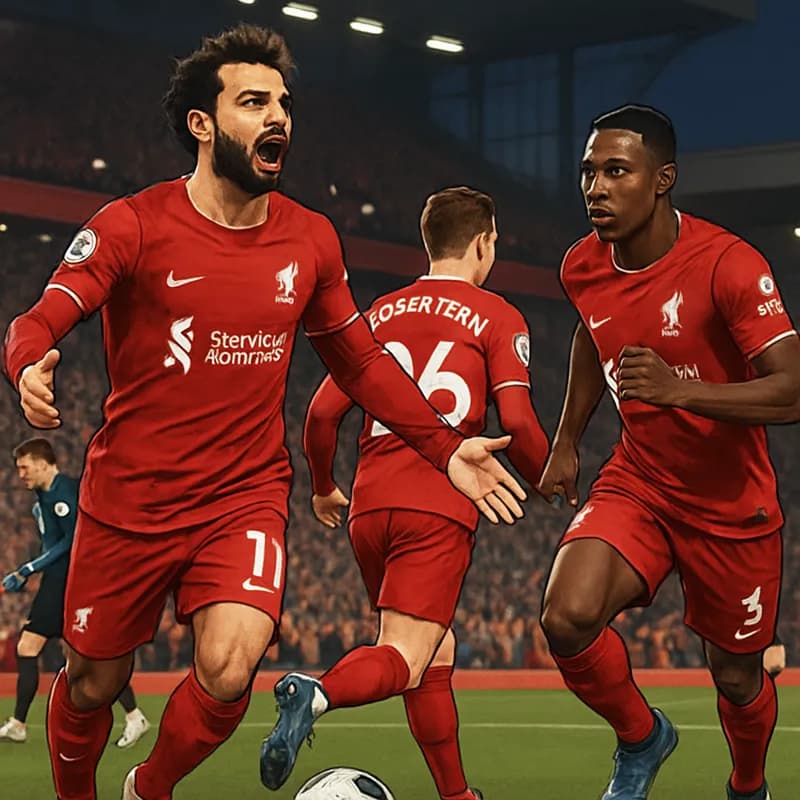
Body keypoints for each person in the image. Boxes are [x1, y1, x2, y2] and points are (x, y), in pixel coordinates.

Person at [1, 24, 525, 800]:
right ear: (202, 125)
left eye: (283, 102)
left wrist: (446, 448)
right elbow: (42, 315)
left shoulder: (310, 239)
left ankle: (149, 788)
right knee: (88, 681)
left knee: (231, 665)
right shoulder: (132, 224)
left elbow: (361, 363)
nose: (279, 115)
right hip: (131, 500)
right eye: (254, 101)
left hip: (241, 496)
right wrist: (28, 362)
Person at [537, 104, 799, 800]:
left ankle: (748, 787)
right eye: (588, 171)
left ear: (663, 179)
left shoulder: (729, 265)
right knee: (564, 616)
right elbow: (593, 336)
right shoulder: (581, 265)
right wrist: (566, 441)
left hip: (732, 507)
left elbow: (792, 390)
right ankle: (643, 738)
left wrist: (685, 393)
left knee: (736, 675)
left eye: (616, 171)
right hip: (642, 483)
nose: (595, 186)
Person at [259, 187, 550, 796]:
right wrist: (554, 480)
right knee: (404, 654)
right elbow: (518, 425)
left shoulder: (380, 312)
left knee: (432, 654)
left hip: (370, 507)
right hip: (439, 502)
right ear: (483, 242)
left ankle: (456, 794)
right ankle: (317, 693)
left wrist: (321, 487)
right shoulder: (498, 316)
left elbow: (319, 416)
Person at [0, 438, 150, 750]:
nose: (21, 475)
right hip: (58, 581)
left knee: (67, 652)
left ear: (43, 463)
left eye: (25, 467)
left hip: (73, 583)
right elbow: (51, 544)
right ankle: (19, 723)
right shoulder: (41, 498)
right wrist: (30, 573)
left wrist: (28, 569)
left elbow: (72, 541)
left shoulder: (64, 492)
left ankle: (134, 715)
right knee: (76, 654)